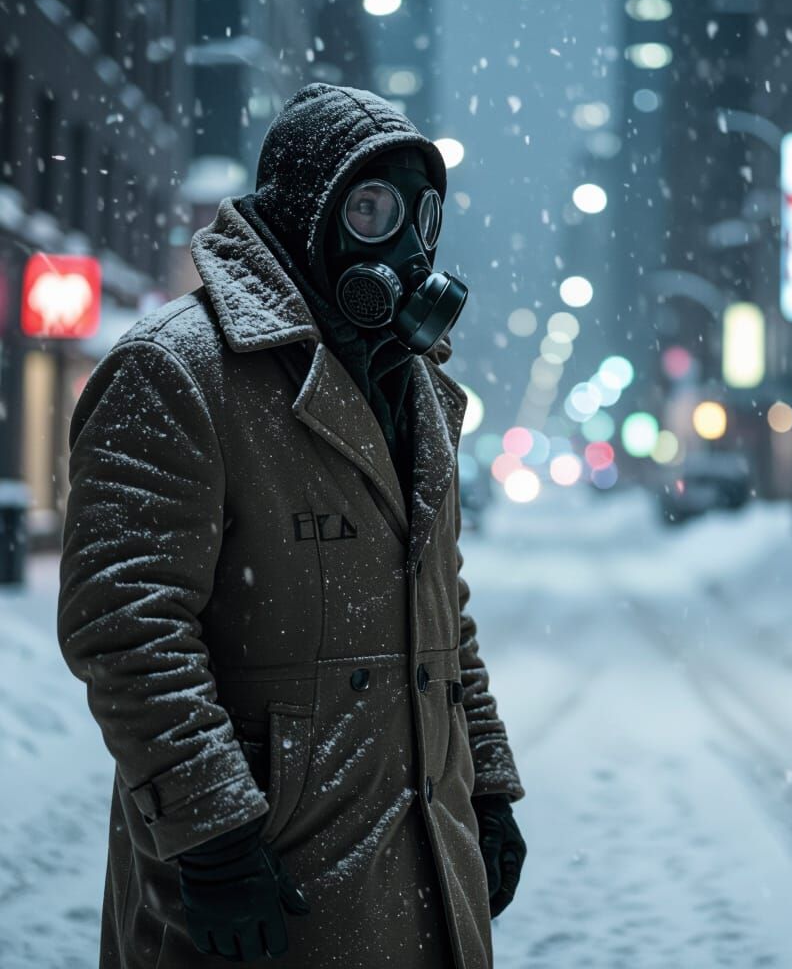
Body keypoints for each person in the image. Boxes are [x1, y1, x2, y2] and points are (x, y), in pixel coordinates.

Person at [57, 83, 526, 969]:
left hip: (421, 865)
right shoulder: (177, 372)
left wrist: (487, 789)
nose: (406, 246)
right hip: (271, 886)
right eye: (374, 206)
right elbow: (126, 626)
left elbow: (442, 620)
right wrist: (213, 839)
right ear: (309, 214)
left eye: (422, 216)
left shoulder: (415, 387)